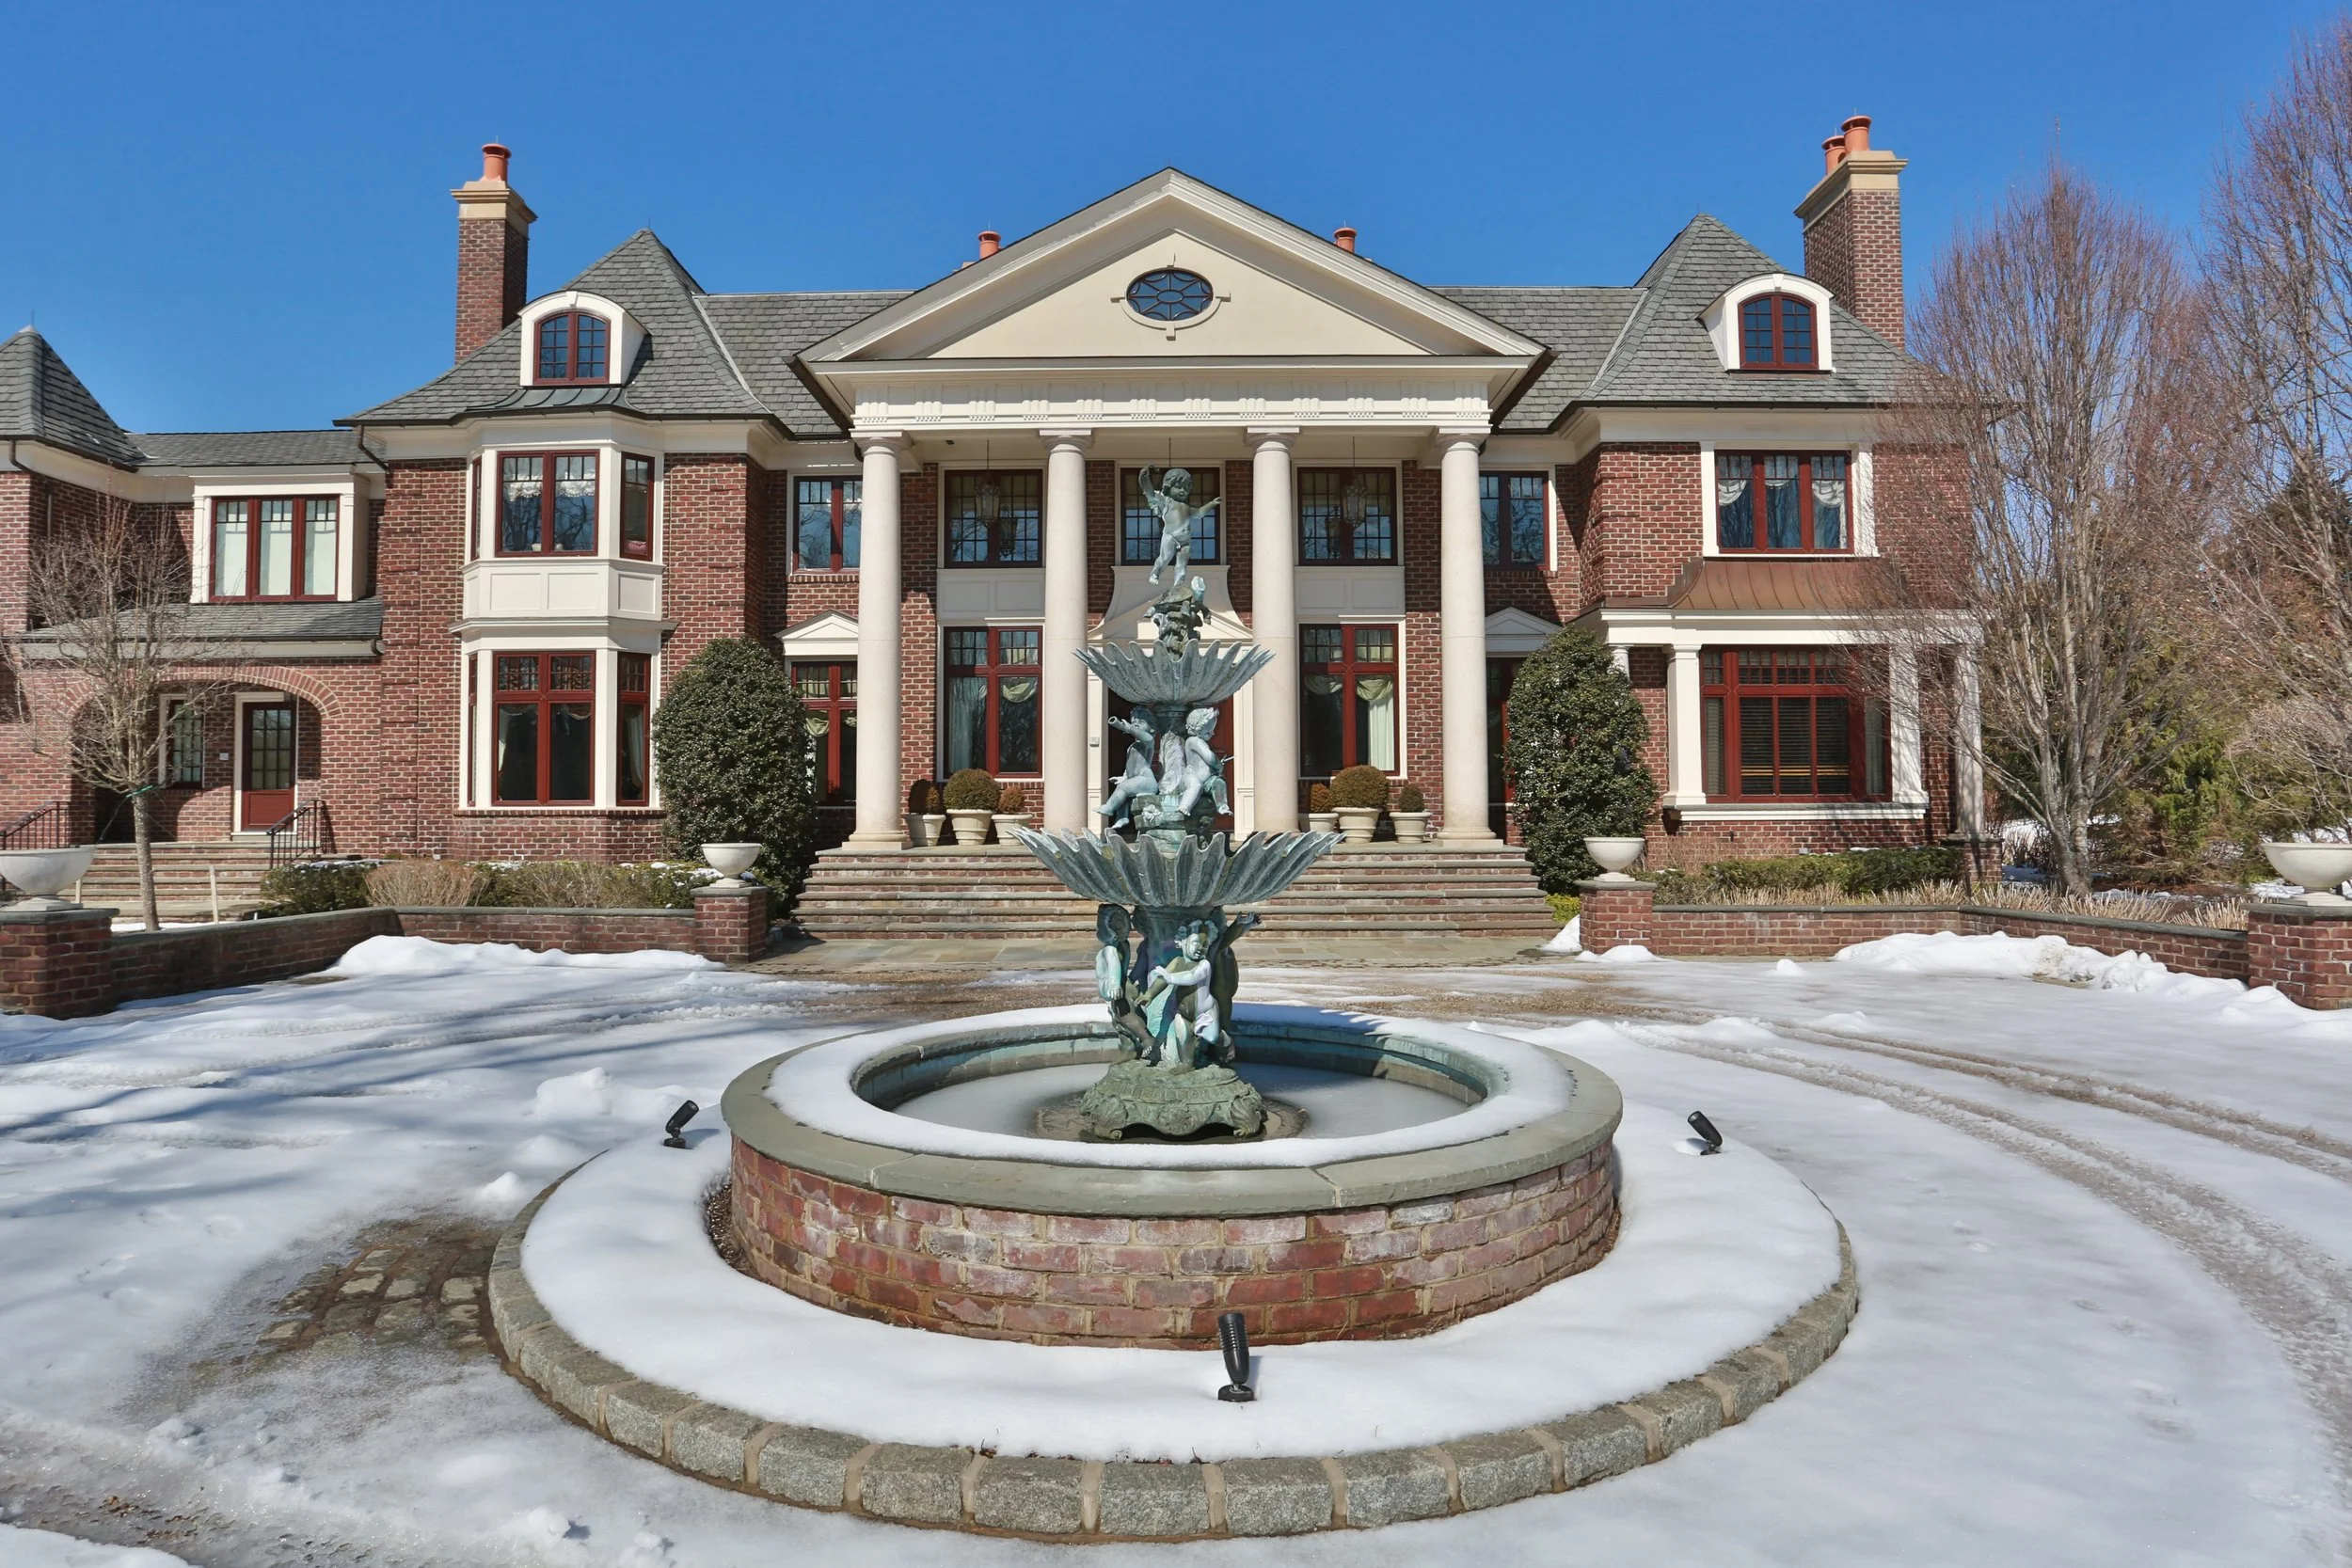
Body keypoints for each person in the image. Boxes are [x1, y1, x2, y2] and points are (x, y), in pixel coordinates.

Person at [1137, 467, 1220, 586]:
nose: (1183, 490)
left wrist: (1212, 504)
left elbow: (1199, 513)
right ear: (1168, 487)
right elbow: (1150, 493)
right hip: (1170, 536)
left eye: (1186, 488)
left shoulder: (1186, 507)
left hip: (1185, 540)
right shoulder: (1166, 502)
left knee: (1182, 564)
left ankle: (1178, 584)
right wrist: (1144, 477)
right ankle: (1155, 572)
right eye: (1178, 487)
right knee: (1164, 559)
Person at [1096, 711, 1157, 828]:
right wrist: (1123, 777)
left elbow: (1146, 737)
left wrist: (1130, 728)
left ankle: (1109, 807)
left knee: (1123, 788)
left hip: (1147, 780)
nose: (1136, 725)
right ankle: (1122, 817)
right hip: (1136, 779)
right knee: (1124, 788)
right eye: (1134, 722)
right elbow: (1129, 766)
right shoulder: (1131, 747)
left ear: (1152, 729)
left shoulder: (1148, 742)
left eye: (1141, 722)